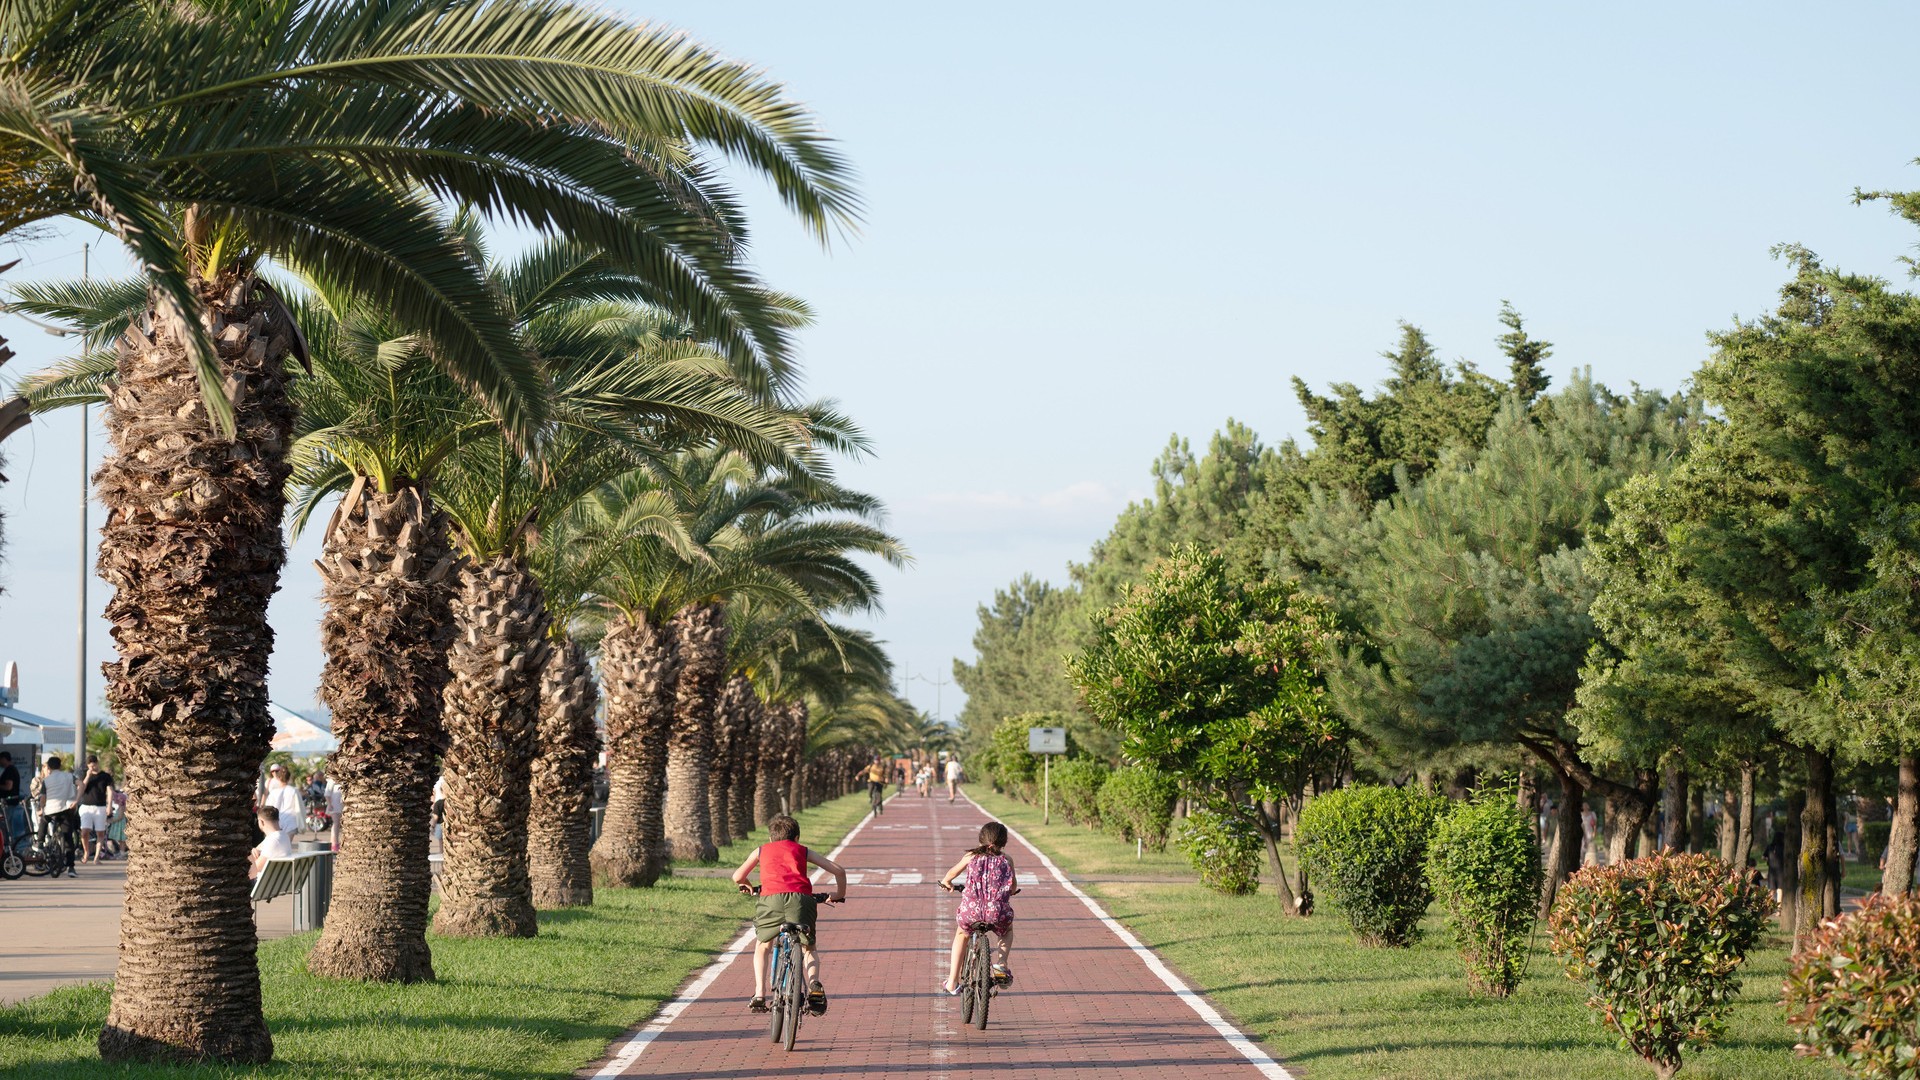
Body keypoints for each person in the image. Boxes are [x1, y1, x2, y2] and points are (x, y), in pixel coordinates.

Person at [730, 813, 848, 1016]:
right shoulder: (802, 851)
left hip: (770, 901)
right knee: (808, 948)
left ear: (770, 838)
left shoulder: (761, 850)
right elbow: (839, 871)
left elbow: (738, 876)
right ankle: (813, 988)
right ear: (797, 838)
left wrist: (749, 887)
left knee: (763, 946)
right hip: (801, 901)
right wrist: (838, 895)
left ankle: (759, 994)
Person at [939, 821, 1020, 992]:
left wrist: (947, 882)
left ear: (981, 840)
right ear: (1003, 843)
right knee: (1007, 931)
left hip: (971, 912)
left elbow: (951, 874)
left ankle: (953, 980)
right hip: (996, 912)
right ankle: (1001, 964)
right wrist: (1010, 891)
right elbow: (1012, 886)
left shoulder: (971, 856)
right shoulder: (1007, 860)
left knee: (961, 933)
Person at [40, 755, 80, 877]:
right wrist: (76, 800)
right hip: (67, 809)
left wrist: (42, 809)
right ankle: (71, 867)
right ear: (60, 766)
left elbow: (42, 798)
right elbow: (82, 784)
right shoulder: (69, 776)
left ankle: (40, 842)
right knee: (68, 838)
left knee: (44, 820)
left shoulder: (46, 780)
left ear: (49, 767)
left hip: (51, 810)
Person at [78, 756, 116, 862]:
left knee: (100, 832)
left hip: (100, 807)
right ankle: (86, 852)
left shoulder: (105, 776)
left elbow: (109, 791)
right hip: (86, 807)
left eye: (94, 765)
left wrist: (109, 806)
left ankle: (97, 856)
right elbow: (81, 788)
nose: (92, 767)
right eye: (90, 766)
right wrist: (87, 776)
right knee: (84, 831)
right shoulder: (84, 775)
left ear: (97, 763)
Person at [249, 805, 293, 880]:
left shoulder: (273, 840)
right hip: (277, 882)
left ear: (261, 822)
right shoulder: (283, 836)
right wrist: (253, 851)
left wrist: (251, 855)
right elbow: (257, 849)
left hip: (262, 883)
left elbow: (256, 868)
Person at [263, 763, 303, 835]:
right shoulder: (294, 790)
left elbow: (269, 808)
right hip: (291, 821)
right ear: (289, 778)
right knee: (288, 844)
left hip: (277, 822)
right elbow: (300, 807)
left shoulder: (273, 793)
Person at [0, 750, 23, 848]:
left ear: (4, 759)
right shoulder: (11, 769)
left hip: (9, 803)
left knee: (7, 826)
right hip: (10, 803)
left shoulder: (10, 770)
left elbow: (9, 786)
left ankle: (9, 846)